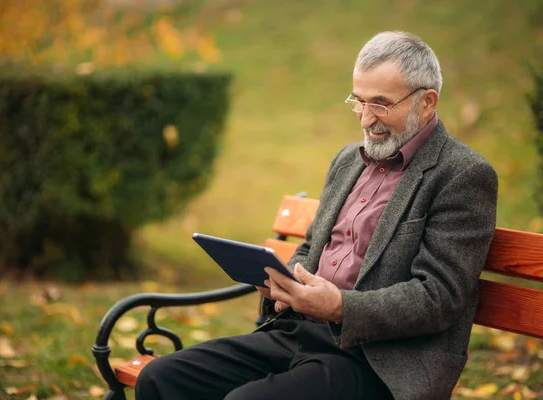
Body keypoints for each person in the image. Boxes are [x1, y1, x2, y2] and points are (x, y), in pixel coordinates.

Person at [135, 31, 498, 400]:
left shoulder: (462, 175)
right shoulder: (347, 160)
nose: (366, 119)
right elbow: (312, 246)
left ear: (427, 102)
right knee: (162, 378)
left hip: (378, 360)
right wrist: (286, 280)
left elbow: (439, 297)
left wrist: (341, 307)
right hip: (299, 333)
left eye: (381, 104)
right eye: (358, 101)